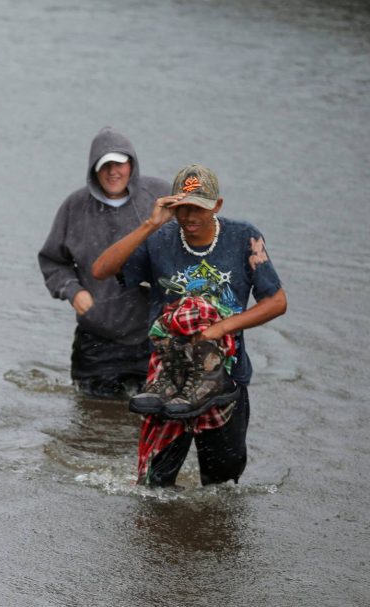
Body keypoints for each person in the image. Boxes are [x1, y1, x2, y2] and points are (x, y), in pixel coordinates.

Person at [92, 164, 287, 486]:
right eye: (182, 208)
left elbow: (276, 302)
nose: (189, 217)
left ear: (217, 206)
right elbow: (100, 270)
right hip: (168, 378)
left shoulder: (243, 238)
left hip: (224, 374)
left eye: (198, 208)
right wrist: (149, 225)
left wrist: (220, 328)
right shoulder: (159, 239)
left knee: (223, 481)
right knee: (155, 485)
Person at [38, 127, 171, 398]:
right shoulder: (75, 206)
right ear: (93, 170)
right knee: (92, 421)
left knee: (152, 418)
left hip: (155, 336)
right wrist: (73, 291)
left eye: (119, 163)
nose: (113, 172)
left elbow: (193, 238)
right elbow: (53, 261)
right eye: (105, 165)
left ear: (131, 165)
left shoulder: (159, 196)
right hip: (97, 340)